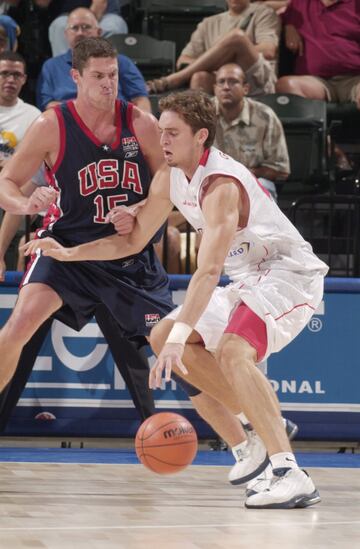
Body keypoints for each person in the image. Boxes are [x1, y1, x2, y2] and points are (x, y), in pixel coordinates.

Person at [33, 89, 329, 509]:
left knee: (231, 351)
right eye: (161, 132)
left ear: (201, 136)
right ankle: (254, 432)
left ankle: (289, 471)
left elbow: (207, 270)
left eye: (173, 133)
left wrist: (181, 338)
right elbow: (132, 242)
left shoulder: (221, 185)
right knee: (162, 335)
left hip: (287, 275)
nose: (163, 140)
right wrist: (69, 253)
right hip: (247, 278)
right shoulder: (170, 177)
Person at [0, 37, 260, 479]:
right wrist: (27, 204)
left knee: (173, 346)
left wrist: (139, 209)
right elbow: (7, 181)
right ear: (76, 77)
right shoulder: (51, 124)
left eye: (114, 76)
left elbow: (173, 180)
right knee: (17, 327)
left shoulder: (140, 123)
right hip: (65, 249)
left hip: (128, 255)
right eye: (98, 77)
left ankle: (248, 433)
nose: (107, 84)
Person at [147, 0, 280, 97]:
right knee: (199, 77)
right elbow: (183, 62)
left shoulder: (263, 13)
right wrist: (216, 59)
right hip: (219, 79)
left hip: (254, 78)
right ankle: (203, 126)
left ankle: (173, 80)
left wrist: (232, 51)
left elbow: (268, 50)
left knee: (237, 37)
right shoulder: (208, 23)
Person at [37, 7, 151, 112]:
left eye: (86, 27)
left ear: (99, 32)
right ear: (66, 34)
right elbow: (47, 104)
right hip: (70, 124)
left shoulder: (121, 62)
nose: (80, 33)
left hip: (115, 123)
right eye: (74, 28)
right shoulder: (51, 66)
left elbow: (141, 100)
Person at [214, 62, 290, 200]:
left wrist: (241, 175)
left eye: (233, 82)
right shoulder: (202, 115)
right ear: (214, 88)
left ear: (246, 89)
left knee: (262, 186)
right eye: (221, 82)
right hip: (212, 183)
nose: (226, 87)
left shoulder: (265, 116)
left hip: (253, 182)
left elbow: (280, 169)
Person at [275, 0, 360, 108]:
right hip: (316, 81)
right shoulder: (300, 4)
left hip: (354, 79)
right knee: (286, 85)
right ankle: (306, 125)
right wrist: (289, 25)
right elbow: (267, 9)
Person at [47, 0, 128, 57]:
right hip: (67, 14)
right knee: (59, 26)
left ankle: (107, 72)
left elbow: (100, 3)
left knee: (113, 27)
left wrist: (87, 24)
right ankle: (64, 72)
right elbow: (42, 4)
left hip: (103, 13)